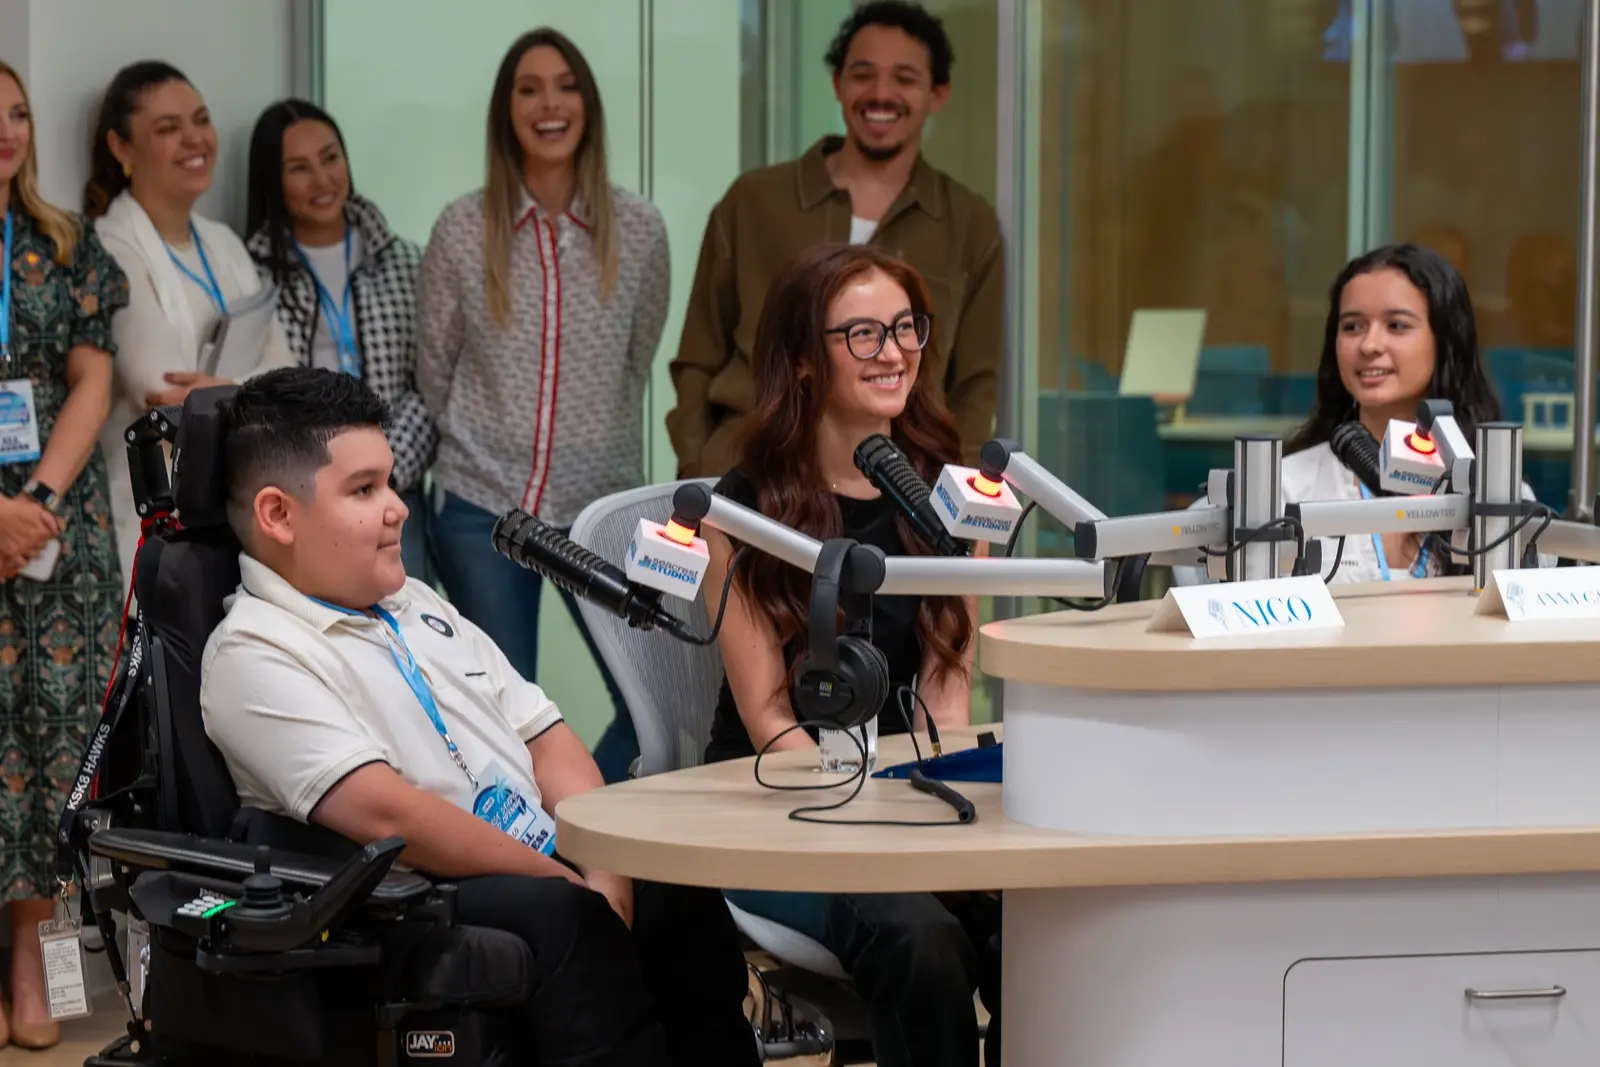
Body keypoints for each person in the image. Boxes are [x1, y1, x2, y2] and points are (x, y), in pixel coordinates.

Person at [199, 367, 760, 1067]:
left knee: (671, 875)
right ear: (278, 514)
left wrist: (607, 863)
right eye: (364, 489)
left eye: (391, 483)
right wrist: (560, 877)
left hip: (540, 858)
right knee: (568, 916)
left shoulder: (416, 601)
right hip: (425, 891)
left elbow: (547, 736)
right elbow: (387, 814)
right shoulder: (253, 652)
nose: (398, 508)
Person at [701, 243, 998, 1067]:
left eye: (905, 328)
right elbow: (768, 718)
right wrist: (866, 816)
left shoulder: (952, 500)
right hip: (781, 808)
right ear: (802, 359)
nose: (894, 351)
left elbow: (947, 693)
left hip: (910, 799)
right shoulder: (746, 511)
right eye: (861, 334)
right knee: (922, 942)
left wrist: (934, 813)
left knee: (1033, 930)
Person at [417, 28, 668, 784]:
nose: (549, 104)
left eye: (565, 86)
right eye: (529, 89)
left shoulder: (641, 230)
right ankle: (529, 872)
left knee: (653, 700)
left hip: (602, 509)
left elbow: (638, 358)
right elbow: (433, 374)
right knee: (499, 715)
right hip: (482, 509)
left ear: (588, 105)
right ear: (507, 111)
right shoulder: (464, 229)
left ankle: (583, 823)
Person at [667, 0, 1003, 480]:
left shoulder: (970, 223)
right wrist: (700, 474)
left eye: (905, 78)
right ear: (837, 84)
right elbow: (697, 360)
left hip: (898, 498)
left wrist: (962, 510)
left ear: (938, 93)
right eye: (863, 74)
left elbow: (974, 390)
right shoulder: (753, 201)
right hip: (749, 481)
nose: (881, 93)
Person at [0, 60, 130, 1051]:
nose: (8, 131)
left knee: (50, 751)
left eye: (18, 114)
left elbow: (93, 375)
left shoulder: (63, 242)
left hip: (59, 531)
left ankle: (33, 974)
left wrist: (36, 498)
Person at [83, 61, 294, 589]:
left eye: (200, 119)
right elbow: (164, 392)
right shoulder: (109, 245)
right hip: (151, 518)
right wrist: (253, 389)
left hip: (233, 504)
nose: (194, 138)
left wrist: (224, 389)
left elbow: (288, 370)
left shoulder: (222, 241)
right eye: (167, 128)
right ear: (121, 147)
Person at [245, 98, 436, 580]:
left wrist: (380, 471)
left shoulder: (406, 262)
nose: (322, 179)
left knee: (406, 623)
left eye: (331, 158)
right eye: (299, 169)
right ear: (273, 180)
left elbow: (431, 385)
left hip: (399, 487)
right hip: (307, 498)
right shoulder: (252, 274)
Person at [1281, 242, 1540, 583]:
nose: (1369, 345)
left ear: (1445, 340)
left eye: (1397, 326)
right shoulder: (1285, 487)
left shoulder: (1502, 495)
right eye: (1352, 326)